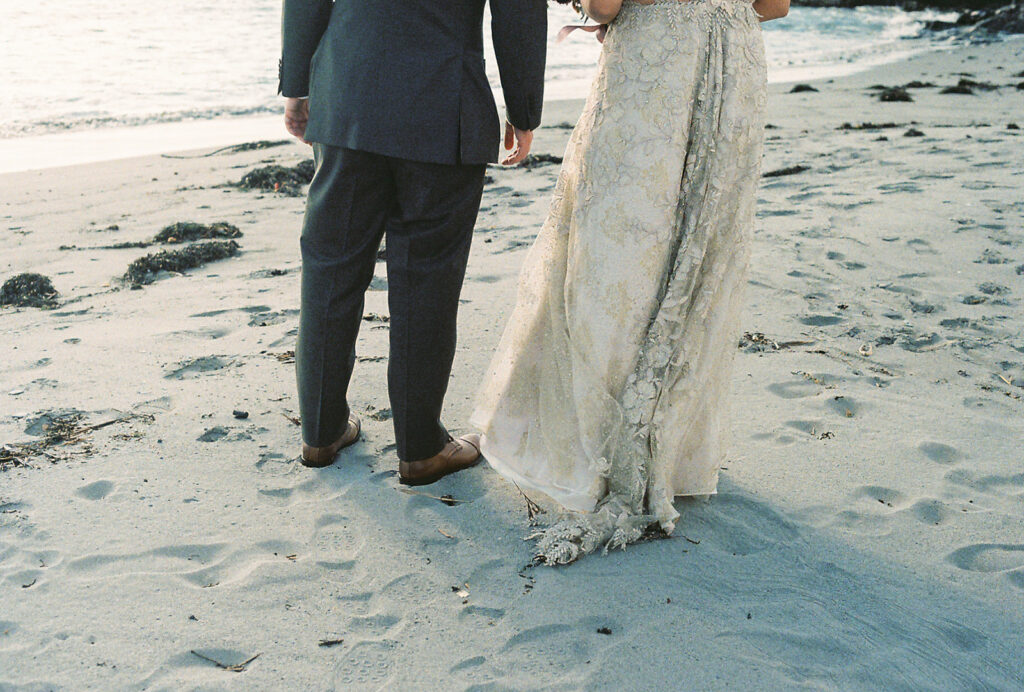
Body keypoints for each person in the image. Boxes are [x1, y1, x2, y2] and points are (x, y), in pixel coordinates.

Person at [471, 0, 790, 564]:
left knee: (620, 243)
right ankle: (675, 450)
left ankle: (596, 445)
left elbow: (608, 4)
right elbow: (775, 5)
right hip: (734, 66)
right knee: (702, 244)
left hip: (657, 65)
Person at [278, 0, 547, 485]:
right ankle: (421, 449)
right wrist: (523, 109)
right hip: (443, 100)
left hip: (348, 88)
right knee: (427, 276)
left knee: (331, 265)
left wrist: (297, 85)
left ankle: (319, 433)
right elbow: (519, 10)